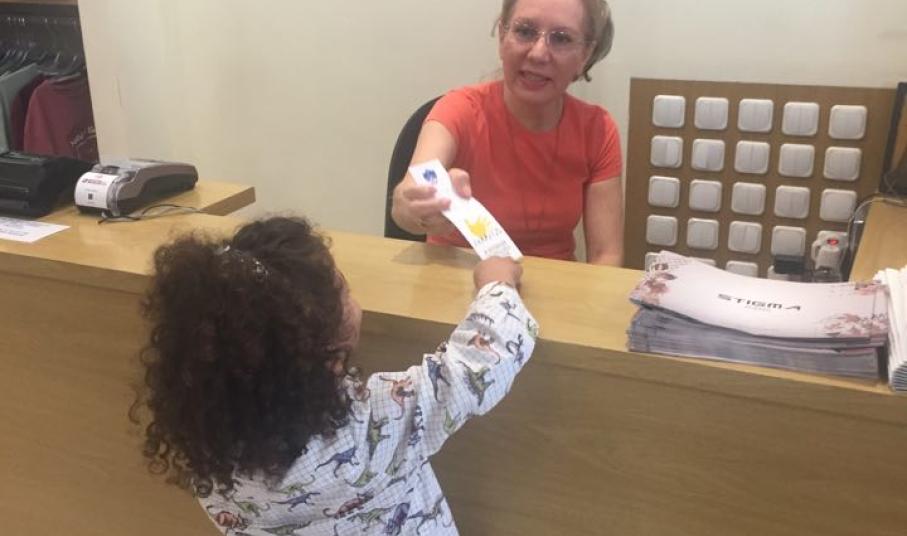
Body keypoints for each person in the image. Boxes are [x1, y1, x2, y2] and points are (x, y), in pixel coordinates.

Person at [134, 216, 538, 535]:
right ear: (327, 348)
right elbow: (475, 366)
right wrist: (497, 284)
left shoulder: (210, 454)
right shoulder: (376, 421)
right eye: (343, 290)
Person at [391, 0, 624, 265]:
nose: (538, 53)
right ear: (502, 37)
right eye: (524, 31)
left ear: (585, 55)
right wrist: (417, 208)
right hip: (457, 277)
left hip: (554, 285)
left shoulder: (598, 130)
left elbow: (606, 254)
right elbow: (408, 196)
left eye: (561, 38)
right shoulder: (459, 109)